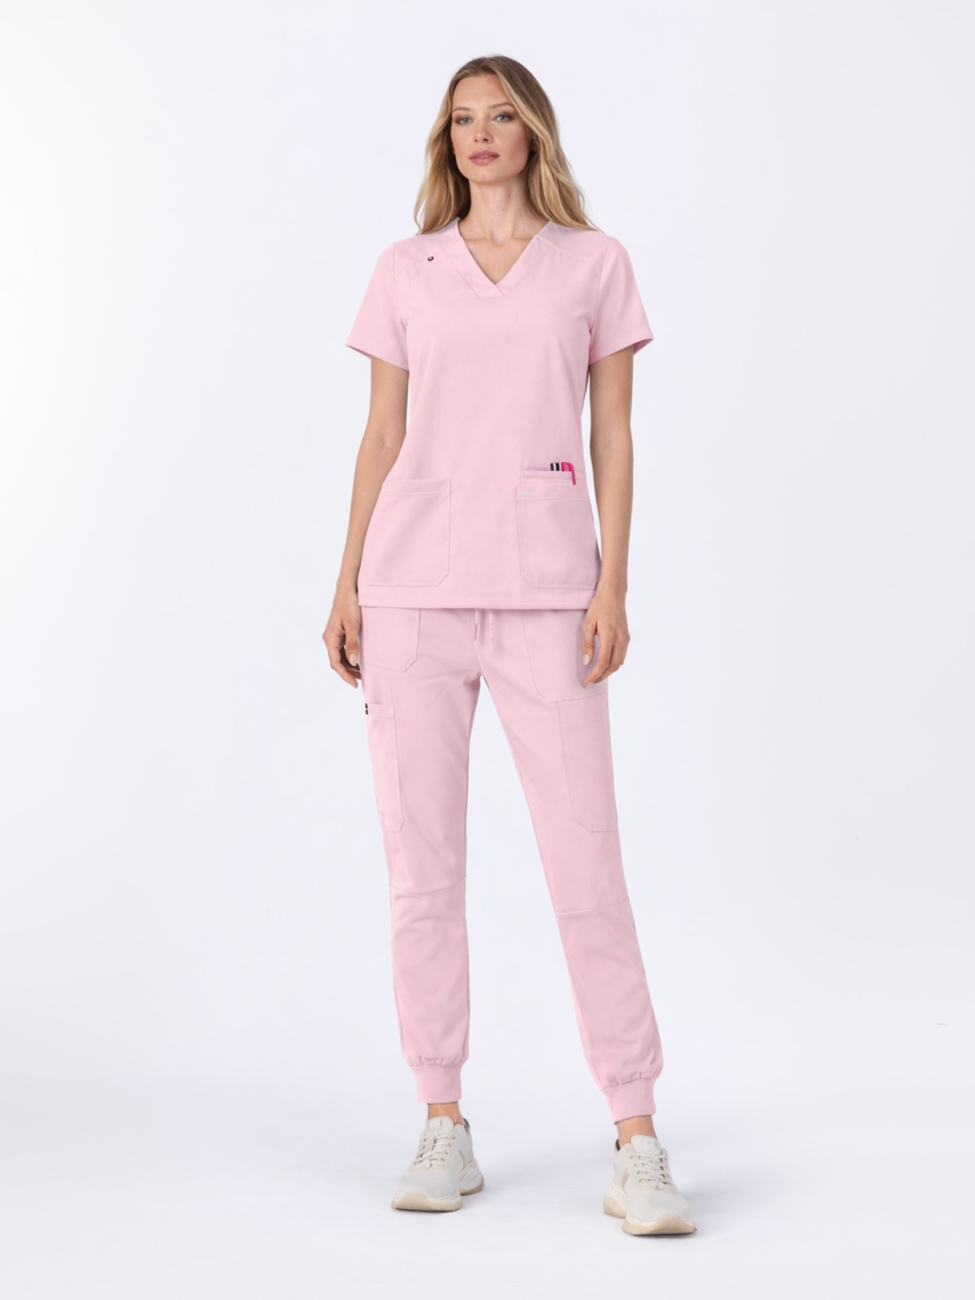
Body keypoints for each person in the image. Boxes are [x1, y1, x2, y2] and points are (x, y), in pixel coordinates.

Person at [323, 54, 696, 1236]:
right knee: (422, 868)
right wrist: (346, 584)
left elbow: (614, 435)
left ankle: (636, 1134)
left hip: (548, 593)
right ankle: (443, 1117)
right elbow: (381, 435)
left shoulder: (594, 264)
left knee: (587, 865)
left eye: (500, 116)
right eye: (461, 121)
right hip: (412, 594)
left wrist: (613, 580)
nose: (480, 135)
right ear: (448, 141)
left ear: (534, 130)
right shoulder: (407, 269)